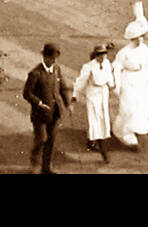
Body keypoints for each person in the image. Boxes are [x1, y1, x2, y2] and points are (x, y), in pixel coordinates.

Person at [23, 43, 72, 174]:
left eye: (55, 58)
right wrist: (38, 103)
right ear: (45, 57)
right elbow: (27, 93)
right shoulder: (35, 73)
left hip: (55, 113)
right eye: (52, 58)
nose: (54, 61)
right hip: (40, 114)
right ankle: (34, 166)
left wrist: (68, 104)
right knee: (40, 139)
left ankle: (46, 167)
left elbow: (63, 88)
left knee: (51, 140)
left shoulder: (57, 69)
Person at [113, 2, 148, 149]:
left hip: (140, 81)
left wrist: (146, 78)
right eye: (137, 38)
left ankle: (130, 129)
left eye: (142, 37)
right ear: (131, 38)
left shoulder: (144, 49)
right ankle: (124, 133)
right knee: (128, 107)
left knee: (139, 107)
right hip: (128, 81)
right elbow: (116, 69)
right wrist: (117, 86)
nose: (140, 40)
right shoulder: (124, 53)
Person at [74, 43, 115, 162]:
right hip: (93, 94)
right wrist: (75, 95)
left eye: (104, 55)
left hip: (103, 93)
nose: (102, 57)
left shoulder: (107, 64)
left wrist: (111, 85)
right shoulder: (88, 67)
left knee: (103, 118)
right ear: (95, 56)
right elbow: (81, 81)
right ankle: (103, 152)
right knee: (95, 119)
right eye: (100, 55)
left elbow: (109, 76)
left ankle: (90, 141)